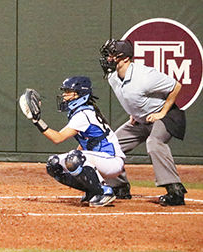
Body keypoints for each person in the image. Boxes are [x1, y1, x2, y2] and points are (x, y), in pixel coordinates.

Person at [99, 39, 187, 206]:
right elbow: (130, 97)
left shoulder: (144, 76)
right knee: (110, 145)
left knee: (154, 143)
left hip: (166, 116)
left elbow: (176, 86)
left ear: (125, 58)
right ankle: (120, 187)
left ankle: (175, 190)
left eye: (112, 55)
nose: (108, 59)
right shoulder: (112, 77)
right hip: (141, 120)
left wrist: (162, 112)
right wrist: (134, 113)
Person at [20, 77, 125, 207]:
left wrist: (37, 121)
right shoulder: (81, 112)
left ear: (79, 94)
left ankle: (104, 191)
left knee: (74, 159)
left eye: (68, 91)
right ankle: (92, 189)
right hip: (100, 159)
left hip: (111, 160)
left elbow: (57, 138)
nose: (64, 95)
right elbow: (86, 143)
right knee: (54, 164)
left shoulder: (84, 114)